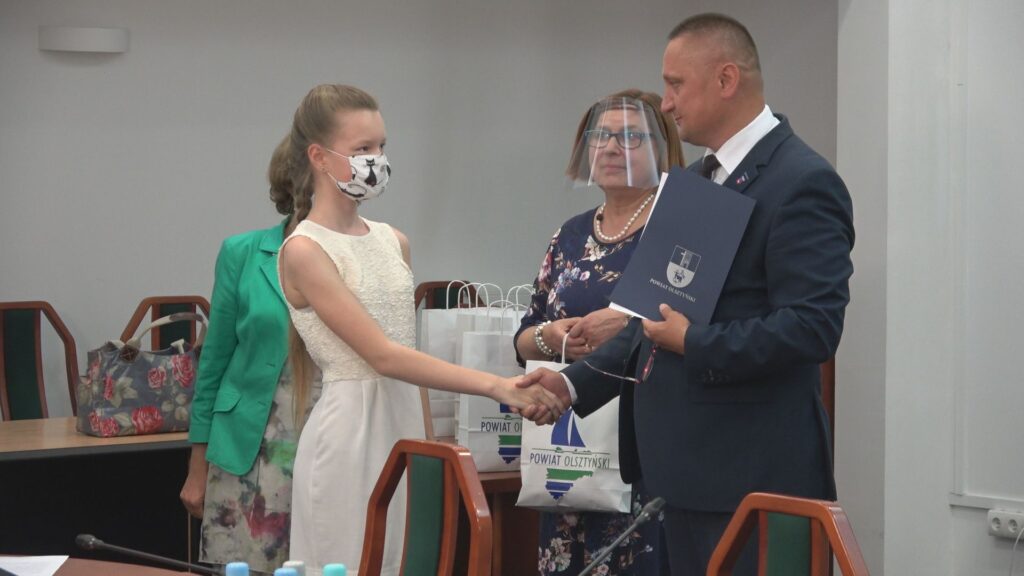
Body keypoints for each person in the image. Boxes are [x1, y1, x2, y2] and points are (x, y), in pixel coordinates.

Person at [520, 13, 855, 576]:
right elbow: (650, 321)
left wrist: (694, 342)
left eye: (676, 84)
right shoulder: (697, 180)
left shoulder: (802, 181)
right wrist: (571, 382)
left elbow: (812, 327)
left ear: (726, 79)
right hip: (679, 478)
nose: (668, 103)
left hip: (751, 480)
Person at [271, 84, 565, 576]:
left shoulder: (394, 241)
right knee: (351, 559)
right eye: (362, 148)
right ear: (319, 157)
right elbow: (383, 356)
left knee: (411, 560)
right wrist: (497, 386)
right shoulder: (304, 250)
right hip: (351, 432)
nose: (377, 159)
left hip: (404, 422)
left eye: (381, 146)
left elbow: (407, 353)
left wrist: (430, 445)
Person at [514, 89, 683, 576]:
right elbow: (524, 337)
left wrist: (626, 324)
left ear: (663, 148)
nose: (610, 147)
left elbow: (693, 322)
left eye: (630, 136)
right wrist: (553, 337)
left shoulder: (677, 228)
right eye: (600, 136)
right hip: (568, 448)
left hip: (647, 446)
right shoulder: (569, 235)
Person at [180, 161, 321, 572]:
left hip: (321, 442)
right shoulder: (241, 252)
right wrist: (197, 466)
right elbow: (214, 363)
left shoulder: (353, 257)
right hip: (248, 451)